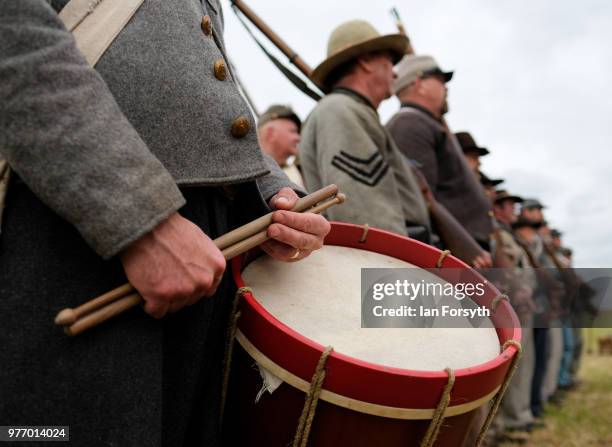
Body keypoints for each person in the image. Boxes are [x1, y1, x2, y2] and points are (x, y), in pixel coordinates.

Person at [0, 1, 329, 445]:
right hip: (79, 222)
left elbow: (216, 104)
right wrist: (138, 213)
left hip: (201, 243)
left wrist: (274, 193)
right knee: (57, 433)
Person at [299, 20, 431, 241]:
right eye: (389, 61)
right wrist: (394, 272)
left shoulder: (351, 111)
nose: (395, 73)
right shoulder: (341, 111)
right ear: (366, 61)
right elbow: (366, 219)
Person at [386, 55, 493, 250]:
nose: (446, 88)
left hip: (467, 249)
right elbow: (419, 203)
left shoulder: (422, 123)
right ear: (420, 83)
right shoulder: (410, 125)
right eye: (440, 80)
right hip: (454, 251)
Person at [491, 190, 538, 435]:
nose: (514, 210)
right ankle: (498, 426)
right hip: (507, 305)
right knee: (505, 369)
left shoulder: (510, 235)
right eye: (509, 205)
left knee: (521, 369)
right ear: (497, 208)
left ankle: (514, 419)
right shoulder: (495, 233)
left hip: (520, 305)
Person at [257, 104, 304, 187]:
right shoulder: (244, 168)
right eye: (293, 131)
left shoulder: (298, 173)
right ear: (271, 133)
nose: (298, 138)